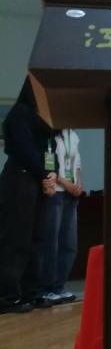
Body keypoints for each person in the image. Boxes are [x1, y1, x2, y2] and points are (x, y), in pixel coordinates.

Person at [0, 79, 57, 314]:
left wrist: (51, 174)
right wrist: (45, 175)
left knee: (37, 240)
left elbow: (49, 149)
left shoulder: (43, 118)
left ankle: (30, 293)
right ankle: (8, 297)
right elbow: (25, 150)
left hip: (39, 181)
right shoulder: (19, 114)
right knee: (17, 240)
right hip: (20, 179)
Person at [34, 128, 83, 305]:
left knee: (69, 243)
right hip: (55, 192)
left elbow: (77, 163)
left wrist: (79, 183)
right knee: (51, 242)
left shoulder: (73, 135)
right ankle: (44, 288)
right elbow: (49, 166)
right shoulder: (49, 135)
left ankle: (59, 286)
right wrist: (66, 183)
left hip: (71, 195)